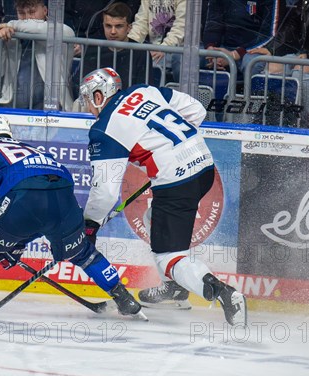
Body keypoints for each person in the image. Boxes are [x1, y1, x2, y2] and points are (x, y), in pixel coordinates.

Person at [0, 115, 145, 319]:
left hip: (23, 196)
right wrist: (16, 243)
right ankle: (123, 298)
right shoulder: (35, 151)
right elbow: (43, 212)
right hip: (63, 198)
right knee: (83, 253)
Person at [79, 67, 247, 326]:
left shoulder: (104, 129)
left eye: (89, 99)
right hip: (204, 167)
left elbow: (105, 192)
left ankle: (225, 293)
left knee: (168, 255)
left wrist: (89, 225)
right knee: (151, 219)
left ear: (100, 96)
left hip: (178, 183)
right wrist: (173, 149)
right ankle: (175, 289)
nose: (89, 107)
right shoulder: (143, 91)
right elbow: (196, 110)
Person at [0, 0, 75, 110]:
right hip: (13, 106)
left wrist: (10, 24)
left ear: (45, 11)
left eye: (32, 12)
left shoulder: (62, 31)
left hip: (53, 107)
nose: (27, 18)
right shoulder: (10, 36)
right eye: (21, 13)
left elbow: (36, 27)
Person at [200, 0, 285, 76]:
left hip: (251, 50)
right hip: (223, 48)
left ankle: (252, 93)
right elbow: (213, 23)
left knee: (252, 65)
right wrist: (211, 49)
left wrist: (235, 54)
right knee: (193, 57)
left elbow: (270, 34)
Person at [82, 2, 152, 89]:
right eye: (108, 26)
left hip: (129, 101)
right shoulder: (93, 49)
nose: (113, 32)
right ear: (103, 26)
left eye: (119, 26)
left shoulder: (141, 53)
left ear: (129, 28)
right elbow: (86, 86)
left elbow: (144, 90)